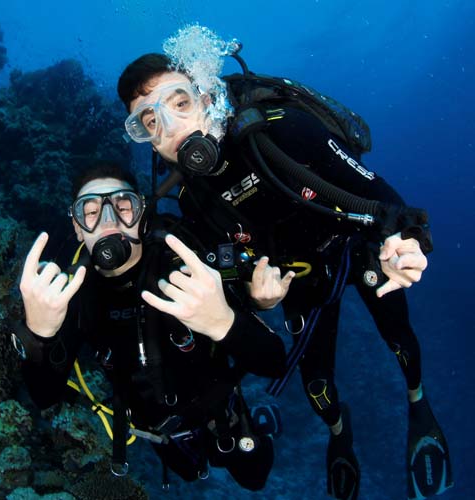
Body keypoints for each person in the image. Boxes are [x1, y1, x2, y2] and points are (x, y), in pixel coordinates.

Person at [116, 33, 452, 500]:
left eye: (180, 102)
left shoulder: (282, 130)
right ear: (149, 141)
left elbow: (375, 192)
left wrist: (403, 239)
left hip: (355, 250)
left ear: (207, 98)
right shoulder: (194, 201)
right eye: (150, 121)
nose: (170, 127)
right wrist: (258, 299)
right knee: (318, 388)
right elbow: (231, 277)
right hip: (303, 283)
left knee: (399, 339)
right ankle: (338, 433)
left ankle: (418, 402)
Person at [12, 161, 287, 491]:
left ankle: (261, 419)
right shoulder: (73, 293)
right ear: (77, 227)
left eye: (124, 206)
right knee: (189, 473)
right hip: (157, 431)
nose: (109, 221)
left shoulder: (185, 264)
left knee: (254, 477)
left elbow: (275, 362)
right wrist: (39, 334)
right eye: (91, 211)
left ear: (142, 214)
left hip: (222, 415)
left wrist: (224, 322)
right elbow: (44, 397)